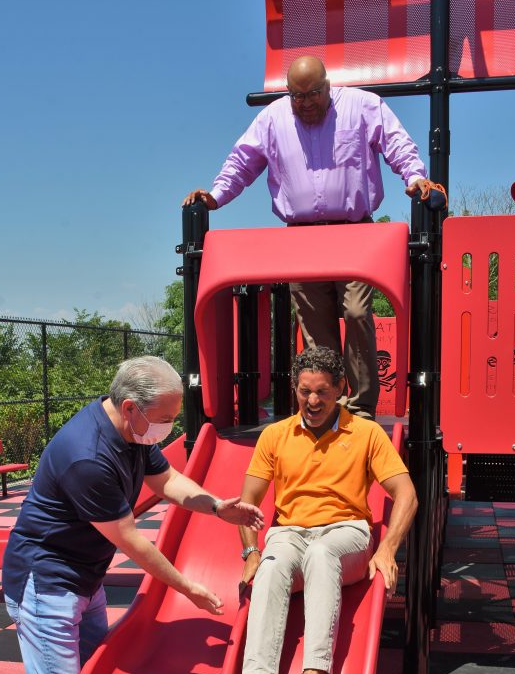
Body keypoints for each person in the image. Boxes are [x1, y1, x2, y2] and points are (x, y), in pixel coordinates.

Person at [3, 355, 264, 674]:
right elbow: (132, 541)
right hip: (46, 582)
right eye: (164, 419)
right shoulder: (87, 456)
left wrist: (218, 507)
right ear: (130, 407)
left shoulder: (134, 433)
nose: (168, 428)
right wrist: (187, 588)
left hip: (84, 577)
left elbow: (168, 482)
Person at [184, 54, 431, 420]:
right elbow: (243, 161)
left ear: (327, 86)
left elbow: (396, 143)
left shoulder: (362, 106)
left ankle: (361, 405)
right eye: (297, 97)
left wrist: (414, 177)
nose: (305, 103)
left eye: (313, 94)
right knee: (315, 329)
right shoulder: (273, 118)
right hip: (301, 239)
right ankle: (327, 403)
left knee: (357, 310)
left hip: (355, 232)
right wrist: (216, 196)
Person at [228, 345, 417, 674]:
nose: (312, 401)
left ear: (340, 389)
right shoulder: (276, 435)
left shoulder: (365, 433)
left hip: (344, 532)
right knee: (272, 564)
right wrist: (250, 552)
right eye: (304, 391)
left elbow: (407, 494)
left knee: (321, 553)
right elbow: (247, 504)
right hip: (290, 532)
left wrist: (387, 548)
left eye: (322, 392)